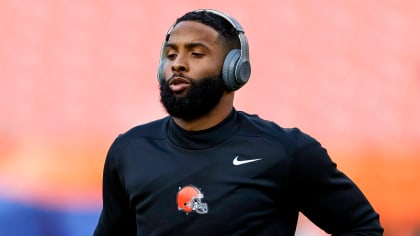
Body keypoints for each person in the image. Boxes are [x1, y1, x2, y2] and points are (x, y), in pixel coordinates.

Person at [94, 9, 384, 235]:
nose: (178, 63)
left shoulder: (285, 151)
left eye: (196, 53)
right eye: (171, 54)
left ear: (236, 69)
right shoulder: (129, 150)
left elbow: (362, 228)